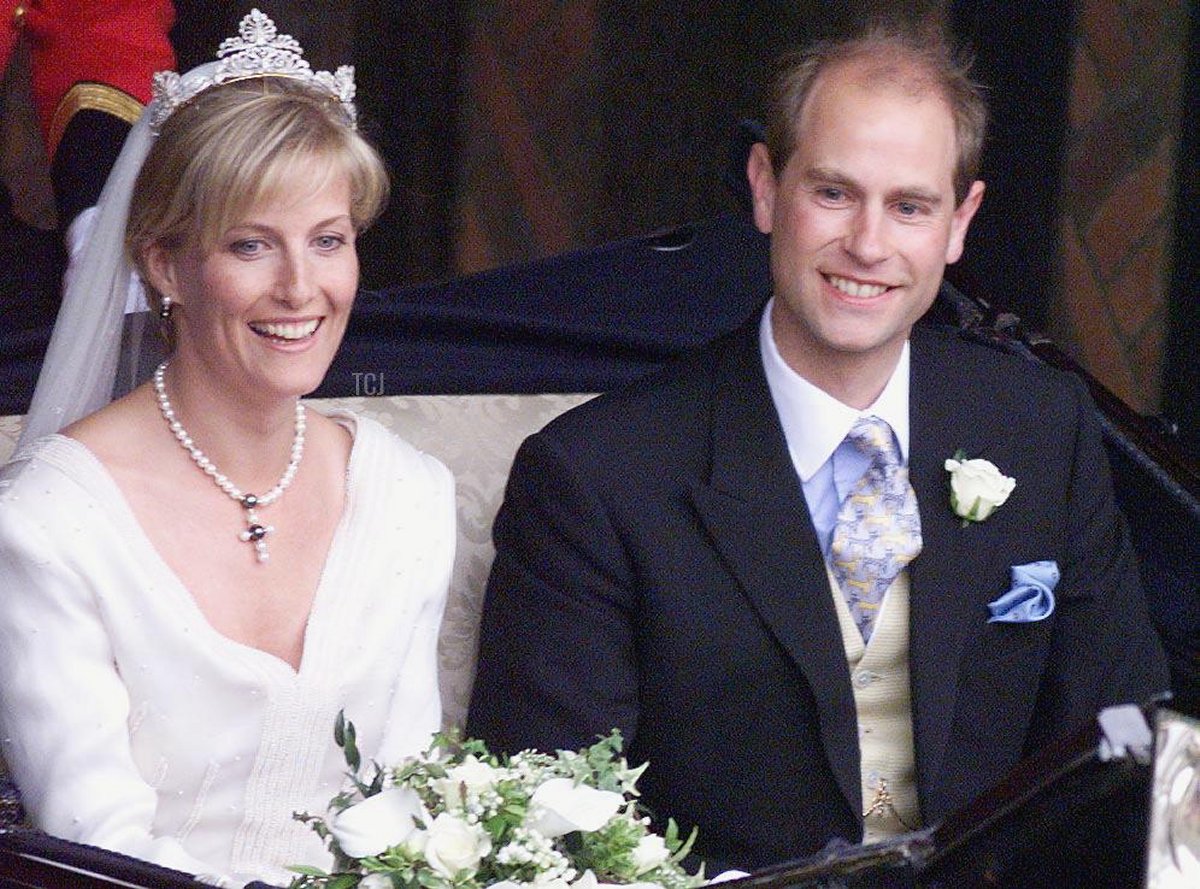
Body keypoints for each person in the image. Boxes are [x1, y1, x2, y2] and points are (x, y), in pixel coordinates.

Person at [465, 21, 1170, 877]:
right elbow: (548, 826)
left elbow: (1128, 730)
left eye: (910, 206)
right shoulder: (594, 478)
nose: (869, 245)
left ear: (960, 222)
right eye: (834, 193)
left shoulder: (1038, 425)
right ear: (767, 188)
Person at [0, 10, 453, 887]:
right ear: (164, 264)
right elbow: (97, 840)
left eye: (329, 240)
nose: (300, 288)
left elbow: (416, 801)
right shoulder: (46, 527)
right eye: (251, 244)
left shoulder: (408, 495)